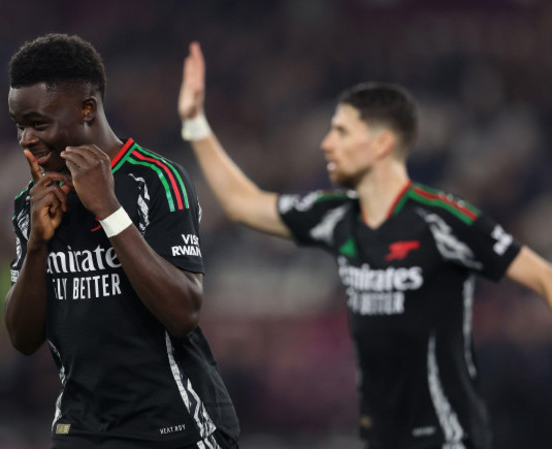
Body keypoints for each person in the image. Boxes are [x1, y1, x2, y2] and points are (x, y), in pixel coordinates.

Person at [177, 42, 552, 449]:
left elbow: (544, 277)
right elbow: (243, 204)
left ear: (382, 143)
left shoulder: (443, 219)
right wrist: (195, 123)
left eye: (341, 131)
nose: (327, 144)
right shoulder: (336, 215)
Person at [4, 34, 239, 449]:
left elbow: (185, 311)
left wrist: (109, 210)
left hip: (175, 424)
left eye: (38, 124)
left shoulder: (156, 179)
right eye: (19, 125)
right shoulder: (32, 203)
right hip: (81, 427)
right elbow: (23, 340)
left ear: (87, 108)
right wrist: (38, 245)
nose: (26, 139)